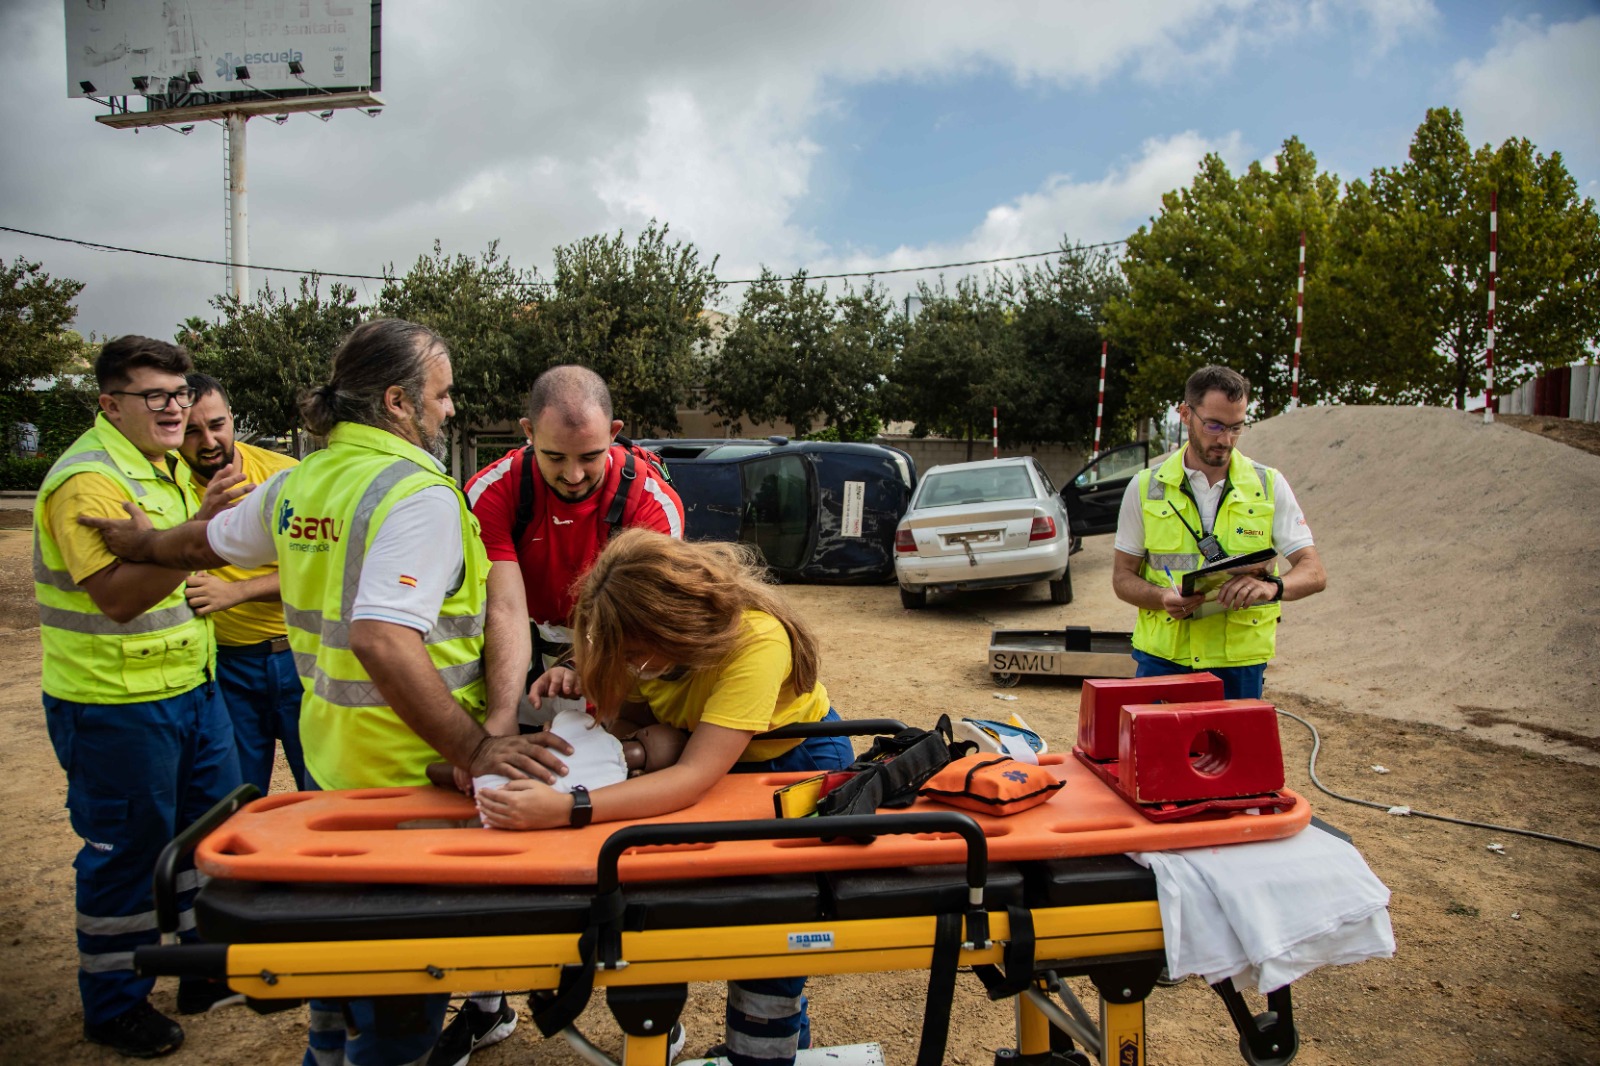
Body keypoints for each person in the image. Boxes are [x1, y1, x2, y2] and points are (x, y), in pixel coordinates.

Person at [80, 319, 572, 1066]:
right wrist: (476, 744)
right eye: (441, 395)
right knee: (403, 998)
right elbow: (381, 636)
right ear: (399, 401)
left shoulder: (299, 482)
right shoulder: (417, 495)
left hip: (336, 769)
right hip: (415, 783)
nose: (450, 408)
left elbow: (201, 542)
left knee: (342, 979)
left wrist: (140, 543)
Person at [478, 528, 853, 1066]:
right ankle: (769, 1031)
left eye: (630, 655)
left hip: (791, 764)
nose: (626, 665)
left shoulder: (757, 640)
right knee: (676, 899)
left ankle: (764, 1049)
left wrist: (570, 806)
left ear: (675, 631)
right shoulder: (645, 645)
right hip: (717, 762)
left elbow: (693, 776)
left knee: (771, 922)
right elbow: (637, 712)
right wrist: (573, 680)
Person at [35, 336, 243, 1058]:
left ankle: (199, 969)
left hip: (191, 687)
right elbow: (120, 599)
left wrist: (182, 537)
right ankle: (115, 1002)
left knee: (203, 837)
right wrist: (192, 540)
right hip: (113, 705)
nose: (174, 409)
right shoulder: (87, 483)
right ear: (109, 403)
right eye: (155, 396)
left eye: (180, 394)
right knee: (127, 854)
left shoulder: (164, 469)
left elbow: (184, 556)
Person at [464, 364, 684, 730]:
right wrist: (501, 717)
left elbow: (643, 616)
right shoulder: (493, 493)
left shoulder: (651, 502)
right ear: (529, 432)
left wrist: (579, 664)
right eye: (554, 457)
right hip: (520, 648)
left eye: (589, 456)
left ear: (614, 434)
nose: (573, 476)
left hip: (613, 647)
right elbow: (503, 607)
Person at [1111, 365, 1327, 700]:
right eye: (1214, 425)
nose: (1225, 440)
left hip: (1239, 665)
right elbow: (1122, 578)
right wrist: (1161, 598)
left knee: (1239, 755)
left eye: (1236, 428)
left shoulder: (1268, 484)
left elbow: (1314, 572)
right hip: (1164, 661)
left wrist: (1272, 587)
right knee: (1158, 755)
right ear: (1185, 413)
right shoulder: (1144, 488)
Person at [178, 373, 306, 792]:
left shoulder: (285, 476)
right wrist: (199, 520)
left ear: (232, 419)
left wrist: (236, 592)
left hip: (299, 655)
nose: (208, 441)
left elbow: (321, 571)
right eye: (192, 430)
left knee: (323, 787)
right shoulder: (168, 484)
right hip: (225, 665)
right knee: (236, 795)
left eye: (216, 425)